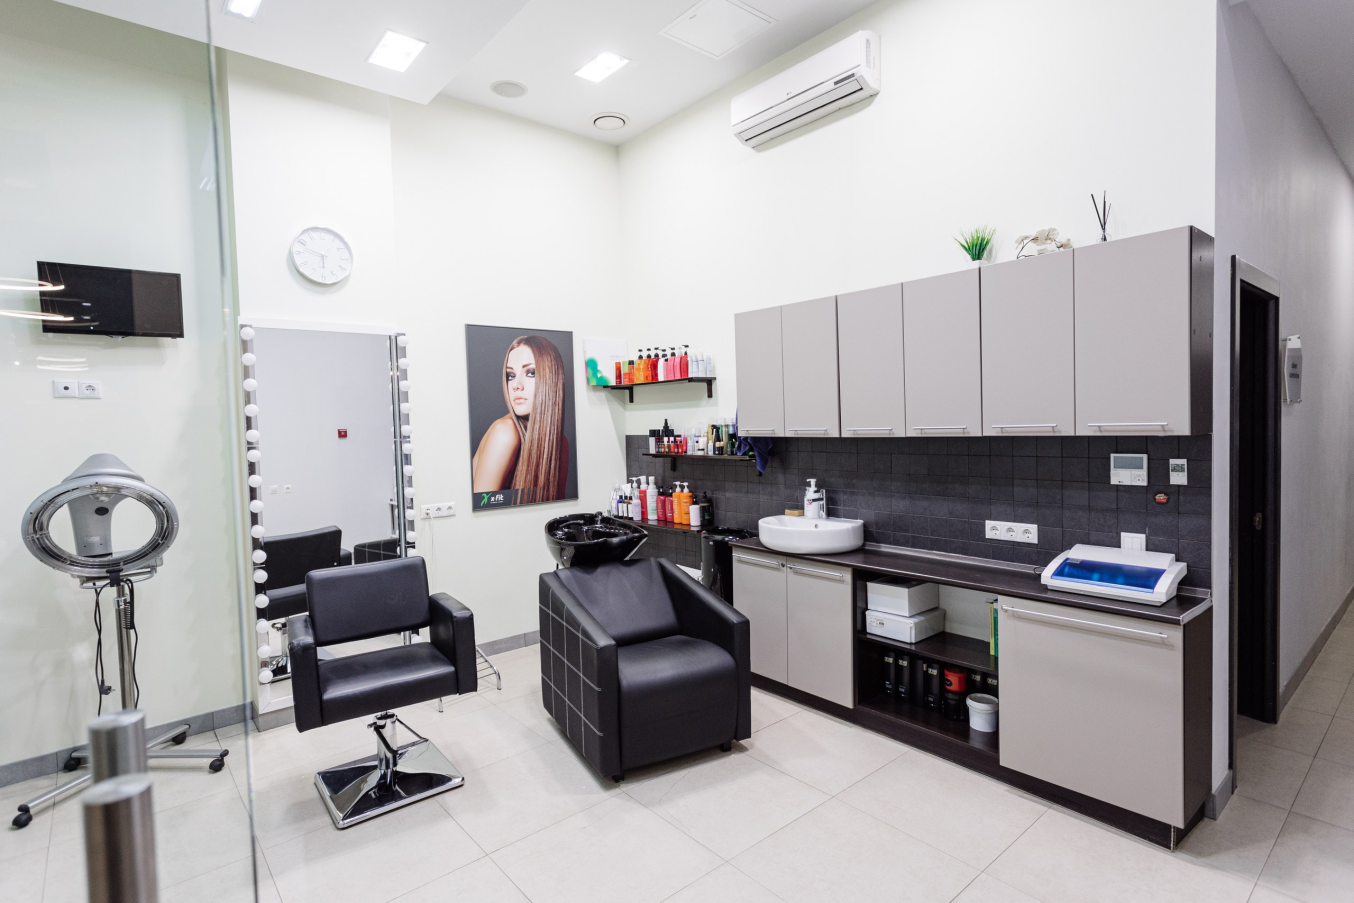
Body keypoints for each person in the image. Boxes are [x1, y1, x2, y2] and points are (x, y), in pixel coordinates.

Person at [472, 335, 570, 502]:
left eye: (530, 373)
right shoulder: (505, 432)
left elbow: (556, 506)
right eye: (511, 375)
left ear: (551, 378)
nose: (516, 385)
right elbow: (481, 507)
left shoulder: (560, 443)